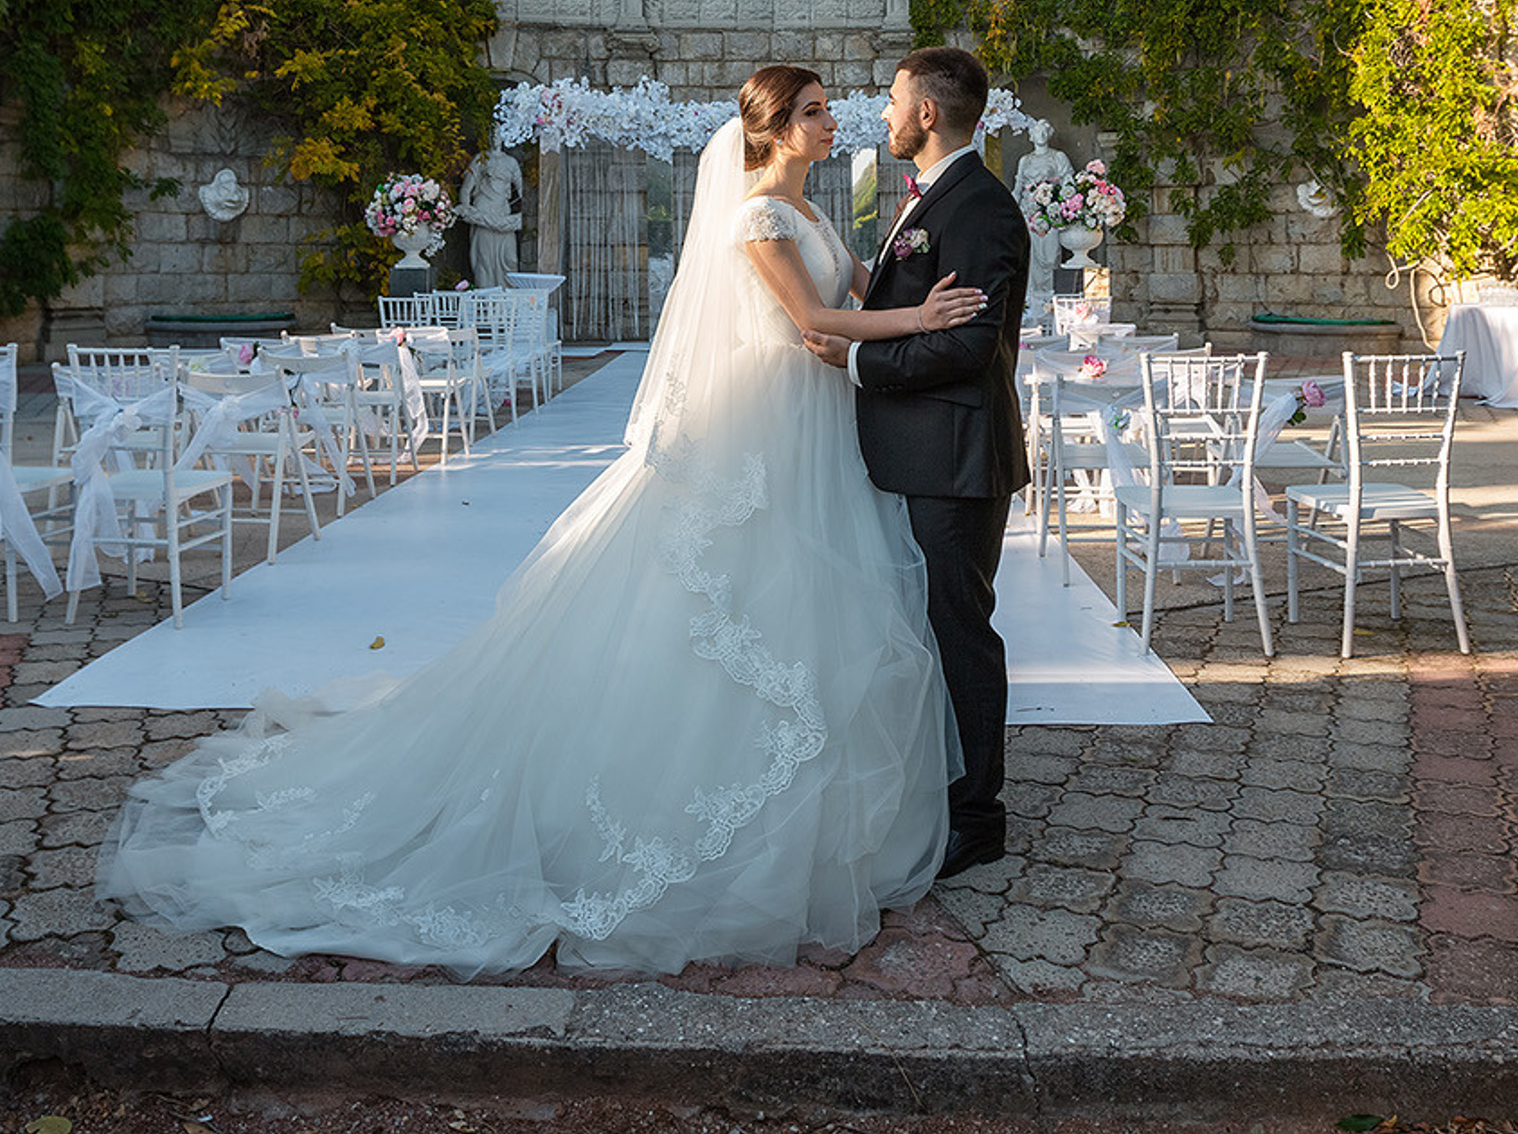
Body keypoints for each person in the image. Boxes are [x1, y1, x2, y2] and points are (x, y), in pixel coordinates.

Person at [97, 66, 987, 977]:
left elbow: (823, 325)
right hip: (759, 430)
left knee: (816, 611)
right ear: (769, 130)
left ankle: (825, 818)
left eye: (829, 109)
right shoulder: (755, 215)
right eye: (812, 112)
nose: (832, 121)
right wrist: (917, 316)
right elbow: (805, 313)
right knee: (732, 601)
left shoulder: (814, 215)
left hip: (815, 426)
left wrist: (852, 335)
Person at [805, 47, 1031, 881]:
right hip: (921, 454)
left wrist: (854, 363)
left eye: (895, 100)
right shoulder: (937, 198)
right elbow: (909, 308)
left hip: (955, 460)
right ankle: (941, 788)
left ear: (928, 113)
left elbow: (969, 345)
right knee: (928, 630)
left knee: (960, 632)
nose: (886, 114)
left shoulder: (979, 208)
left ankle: (978, 817)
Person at [1011, 117, 1074, 305]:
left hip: (1050, 212)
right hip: (1029, 213)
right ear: (1031, 136)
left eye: (1045, 131)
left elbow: (1068, 182)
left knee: (1051, 255)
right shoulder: (1025, 160)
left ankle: (1051, 298)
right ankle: (1033, 300)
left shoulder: (1058, 157)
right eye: (1038, 131)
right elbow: (1018, 187)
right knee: (1030, 257)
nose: (1042, 134)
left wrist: (1061, 203)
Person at [456, 145, 524, 290]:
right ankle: (486, 302)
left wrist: (528, 210)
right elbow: (466, 188)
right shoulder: (480, 159)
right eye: (491, 133)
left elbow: (522, 189)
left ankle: (508, 300)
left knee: (510, 259)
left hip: (503, 212)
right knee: (484, 260)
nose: (495, 136)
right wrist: (467, 210)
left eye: (498, 133)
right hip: (483, 208)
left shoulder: (511, 162)